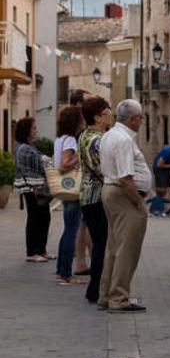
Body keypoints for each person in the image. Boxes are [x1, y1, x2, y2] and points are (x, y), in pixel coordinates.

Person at [99, 99, 152, 313]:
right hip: (124, 196)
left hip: (113, 193)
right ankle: (119, 297)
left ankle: (107, 294)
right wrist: (138, 202)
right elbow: (125, 178)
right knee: (127, 249)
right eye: (141, 118)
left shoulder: (111, 135)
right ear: (134, 119)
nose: (141, 122)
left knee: (114, 247)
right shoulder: (123, 140)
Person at [78, 97, 113, 303]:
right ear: (98, 116)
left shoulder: (87, 135)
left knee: (101, 243)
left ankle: (96, 288)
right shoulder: (95, 140)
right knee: (102, 244)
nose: (110, 113)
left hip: (90, 197)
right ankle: (96, 289)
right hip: (96, 197)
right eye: (107, 110)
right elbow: (102, 171)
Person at [54, 106, 86, 285]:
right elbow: (64, 164)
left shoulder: (60, 139)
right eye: (80, 118)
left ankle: (61, 270)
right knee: (71, 231)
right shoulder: (71, 142)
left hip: (65, 188)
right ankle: (66, 274)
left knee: (68, 229)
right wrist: (79, 157)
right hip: (73, 188)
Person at [14, 117, 53, 263]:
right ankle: (32, 252)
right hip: (31, 187)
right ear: (27, 131)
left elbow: (42, 159)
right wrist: (52, 161)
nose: (36, 130)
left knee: (43, 217)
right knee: (35, 218)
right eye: (34, 128)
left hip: (35, 187)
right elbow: (42, 162)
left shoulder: (28, 146)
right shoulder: (25, 148)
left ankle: (41, 250)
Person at [70, 89, 94, 276]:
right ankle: (82, 261)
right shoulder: (79, 133)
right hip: (83, 183)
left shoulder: (78, 130)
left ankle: (83, 261)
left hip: (82, 183)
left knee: (83, 224)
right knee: (83, 224)